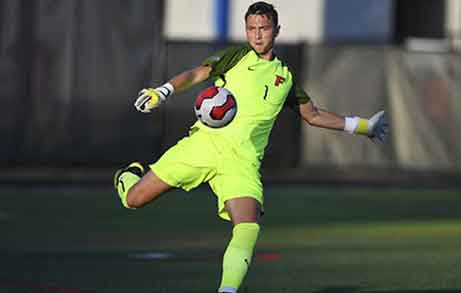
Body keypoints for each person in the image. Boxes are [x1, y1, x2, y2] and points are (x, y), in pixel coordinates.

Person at [114, 2, 388, 292]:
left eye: (264, 28)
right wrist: (163, 91)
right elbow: (197, 74)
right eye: (251, 29)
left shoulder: (285, 78)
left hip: (241, 163)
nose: (257, 35)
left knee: (247, 227)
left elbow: (313, 114)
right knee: (134, 199)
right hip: (202, 146)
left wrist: (363, 126)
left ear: (277, 31)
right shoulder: (236, 56)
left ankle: (227, 291)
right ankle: (128, 176)